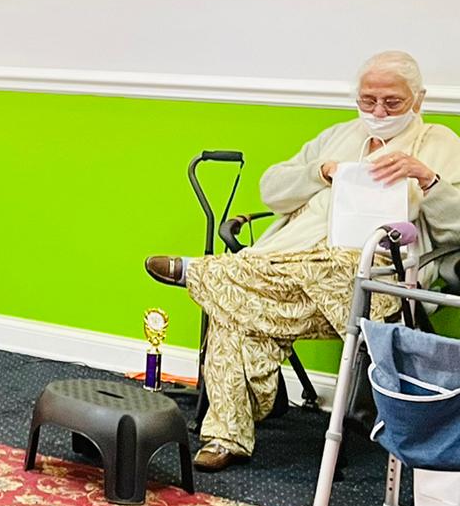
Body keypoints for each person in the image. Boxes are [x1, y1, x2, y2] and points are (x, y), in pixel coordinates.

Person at [147, 50, 460, 471]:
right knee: (234, 307)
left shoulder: (440, 145)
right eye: (368, 100)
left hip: (374, 277)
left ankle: (204, 274)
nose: (378, 112)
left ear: (418, 99)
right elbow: (272, 188)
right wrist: (320, 172)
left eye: (392, 102)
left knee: (250, 286)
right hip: (285, 269)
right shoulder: (338, 137)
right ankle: (224, 437)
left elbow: (456, 230)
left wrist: (427, 178)